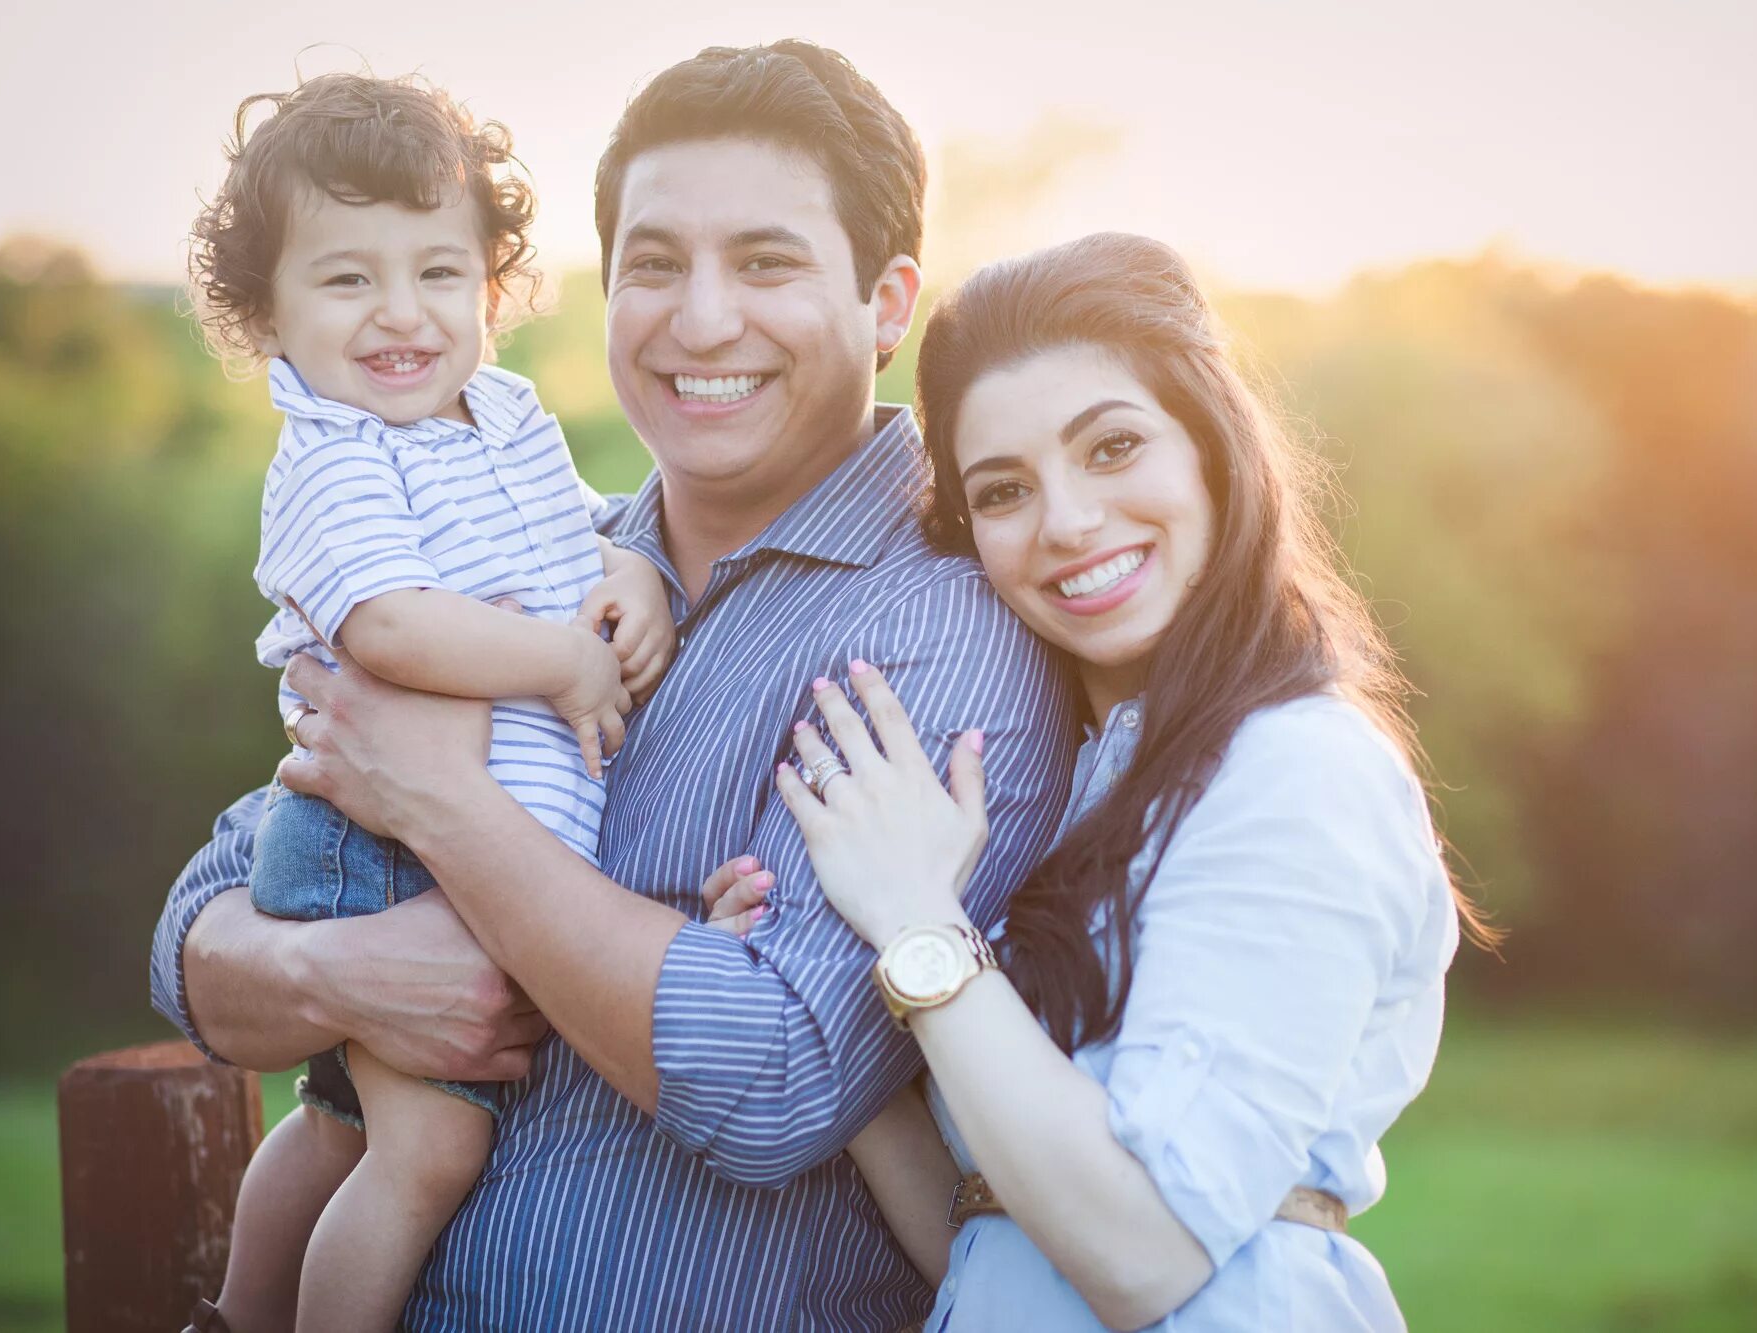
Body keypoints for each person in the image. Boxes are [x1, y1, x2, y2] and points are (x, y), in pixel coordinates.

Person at [152, 41, 1076, 1331]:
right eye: (653, 263)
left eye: (765, 262)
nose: (700, 320)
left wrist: (445, 813)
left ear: (885, 301)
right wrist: (336, 977)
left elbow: (775, 1082)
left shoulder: (933, 632)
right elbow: (206, 916)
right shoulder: (543, 556)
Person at [718, 232, 1495, 1330]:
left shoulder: (1294, 768)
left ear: (1214, 449)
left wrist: (913, 920)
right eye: (1002, 490)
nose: (1068, 523)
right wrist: (810, 975)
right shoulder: (1083, 778)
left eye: (1113, 446)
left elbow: (1141, 1253)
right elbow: (991, 1241)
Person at [178, 71, 677, 1333]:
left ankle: (236, 1315)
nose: (400, 314)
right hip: (377, 850)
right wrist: (560, 662)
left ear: (491, 285)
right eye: (347, 280)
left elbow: (573, 537)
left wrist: (623, 568)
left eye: (438, 274)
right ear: (265, 314)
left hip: (438, 836)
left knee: (343, 1120)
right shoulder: (334, 457)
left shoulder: (497, 415)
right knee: (426, 1154)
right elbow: (387, 624)